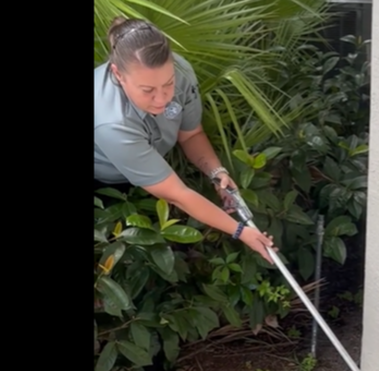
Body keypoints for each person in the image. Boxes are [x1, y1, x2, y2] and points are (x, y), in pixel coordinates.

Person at [95, 16, 276, 264]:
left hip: (147, 165)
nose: (162, 99)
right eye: (148, 90)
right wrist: (241, 232)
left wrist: (216, 172)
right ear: (118, 74)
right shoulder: (110, 121)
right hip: (103, 179)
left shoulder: (179, 70)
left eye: (168, 84)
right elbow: (177, 194)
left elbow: (191, 134)